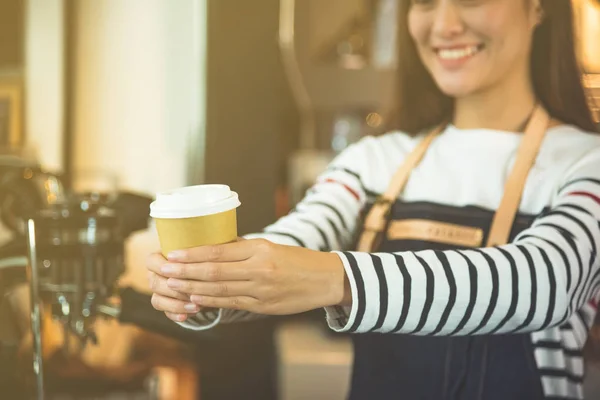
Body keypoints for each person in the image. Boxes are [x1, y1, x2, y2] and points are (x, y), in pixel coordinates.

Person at [147, 0, 600, 399]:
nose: (443, 24)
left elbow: (545, 282)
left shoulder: (585, 162)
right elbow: (300, 235)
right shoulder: (375, 160)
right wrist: (208, 284)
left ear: (539, 7)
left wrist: (337, 278)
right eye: (422, 2)